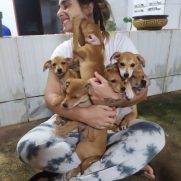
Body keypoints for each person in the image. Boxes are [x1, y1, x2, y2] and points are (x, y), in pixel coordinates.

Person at [16, 0, 165, 180]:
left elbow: (142, 92)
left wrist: (111, 98)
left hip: (112, 126)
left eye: (66, 5)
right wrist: (84, 115)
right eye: (59, 7)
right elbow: (51, 97)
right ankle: (117, 163)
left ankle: (67, 175)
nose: (59, 12)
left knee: (154, 135)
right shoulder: (62, 50)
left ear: (88, 7)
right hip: (71, 122)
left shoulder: (120, 42)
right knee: (28, 148)